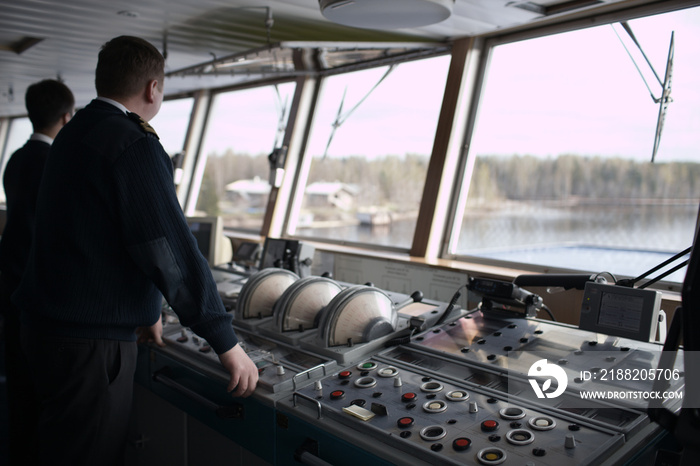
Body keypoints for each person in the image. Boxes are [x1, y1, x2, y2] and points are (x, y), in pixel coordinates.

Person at [14, 36, 259, 466]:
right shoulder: (132, 143)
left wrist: (147, 313)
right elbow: (167, 248)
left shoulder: (74, 134)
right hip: (90, 344)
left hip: (45, 328)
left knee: (53, 446)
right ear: (153, 89)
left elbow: (98, 233)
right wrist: (224, 339)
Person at [0, 79, 75, 466]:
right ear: (67, 116)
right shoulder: (54, 164)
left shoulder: (15, 158)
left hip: (11, 283)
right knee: (46, 397)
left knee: (19, 391)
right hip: (40, 294)